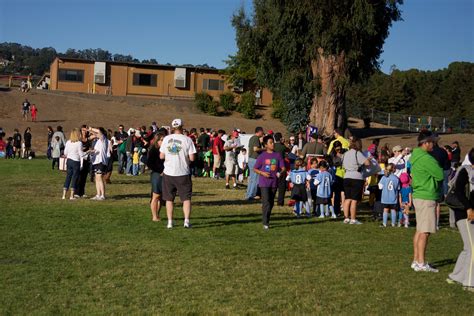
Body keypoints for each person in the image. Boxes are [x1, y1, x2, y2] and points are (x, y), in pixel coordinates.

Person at [409, 130, 444, 272]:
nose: (434, 145)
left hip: (419, 194)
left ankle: (416, 260)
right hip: (427, 196)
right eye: (432, 142)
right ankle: (421, 263)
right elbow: (440, 174)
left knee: (419, 230)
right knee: (425, 231)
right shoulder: (426, 158)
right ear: (425, 143)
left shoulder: (415, 156)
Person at [160, 119, 196, 229]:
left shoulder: (166, 139)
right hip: (183, 172)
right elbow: (192, 158)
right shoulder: (187, 139)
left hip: (169, 172)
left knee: (169, 199)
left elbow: (161, 156)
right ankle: (186, 221)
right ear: (182, 126)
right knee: (186, 198)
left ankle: (170, 222)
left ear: (172, 127)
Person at [447, 148, 474, 291]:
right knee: (472, 249)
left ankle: (456, 276)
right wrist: (469, 208)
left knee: (468, 248)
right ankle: (469, 282)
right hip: (463, 214)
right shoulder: (465, 171)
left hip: (470, 214)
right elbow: (458, 191)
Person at [254, 135, 286, 229]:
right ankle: (265, 222)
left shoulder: (278, 155)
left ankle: (266, 218)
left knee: (271, 203)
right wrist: (262, 173)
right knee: (266, 202)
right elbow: (255, 168)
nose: (273, 144)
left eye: (273, 142)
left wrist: (280, 172)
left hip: (274, 182)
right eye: (270, 143)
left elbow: (283, 168)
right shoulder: (262, 156)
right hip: (264, 182)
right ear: (265, 145)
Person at [342, 137, 372, 224]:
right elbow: (367, 163)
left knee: (347, 199)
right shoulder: (357, 153)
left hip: (346, 177)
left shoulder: (345, 154)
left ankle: (346, 218)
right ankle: (353, 219)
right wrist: (368, 160)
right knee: (354, 200)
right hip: (356, 177)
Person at [147, 133, 166, 222]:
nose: (163, 141)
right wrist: (160, 171)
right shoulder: (154, 150)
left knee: (161, 197)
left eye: (164, 139)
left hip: (165, 174)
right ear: (157, 140)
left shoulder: (165, 150)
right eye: (161, 139)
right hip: (157, 174)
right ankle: (154, 216)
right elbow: (150, 163)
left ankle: (157, 215)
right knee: (156, 195)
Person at [62, 129, 84, 200]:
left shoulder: (68, 142)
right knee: (74, 178)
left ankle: (64, 195)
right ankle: (72, 195)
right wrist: (82, 164)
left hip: (69, 161)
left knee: (68, 177)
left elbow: (65, 152)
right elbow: (81, 155)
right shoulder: (79, 143)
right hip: (76, 162)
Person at [88, 127, 109, 200]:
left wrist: (91, 129)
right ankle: (98, 194)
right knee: (96, 178)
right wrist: (91, 151)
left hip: (101, 161)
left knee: (100, 177)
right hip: (96, 161)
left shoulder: (103, 138)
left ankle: (103, 195)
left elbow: (98, 133)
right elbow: (97, 150)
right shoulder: (98, 141)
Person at [378, 163, 400, 227]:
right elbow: (398, 188)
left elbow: (380, 187)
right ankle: (393, 224)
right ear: (394, 170)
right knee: (393, 210)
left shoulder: (384, 177)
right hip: (393, 198)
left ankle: (384, 223)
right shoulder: (396, 178)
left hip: (385, 198)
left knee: (385, 209)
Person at [245, 127, 264, 200]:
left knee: (252, 179)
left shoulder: (252, 138)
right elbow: (255, 149)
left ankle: (248, 194)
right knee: (255, 179)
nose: (263, 133)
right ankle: (251, 195)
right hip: (254, 160)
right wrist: (264, 149)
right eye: (262, 132)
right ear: (259, 131)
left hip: (251, 159)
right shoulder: (256, 138)